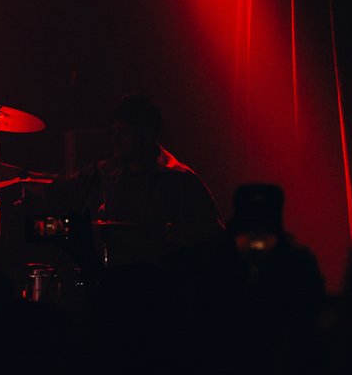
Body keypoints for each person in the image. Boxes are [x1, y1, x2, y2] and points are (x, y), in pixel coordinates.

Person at [46, 92, 223, 269]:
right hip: (114, 278)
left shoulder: (181, 181)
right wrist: (31, 178)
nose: (114, 139)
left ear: (147, 135)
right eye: (113, 132)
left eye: (124, 133)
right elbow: (61, 186)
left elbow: (214, 236)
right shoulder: (103, 172)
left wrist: (172, 236)